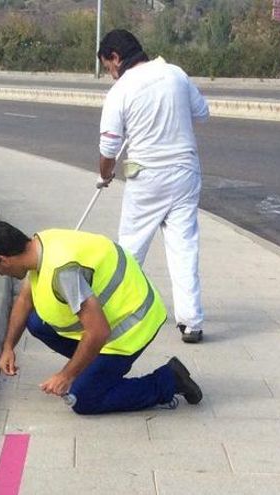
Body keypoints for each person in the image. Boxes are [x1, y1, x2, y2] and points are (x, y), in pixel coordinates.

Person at [0, 220, 202, 414]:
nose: (1, 274)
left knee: (82, 399)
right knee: (36, 322)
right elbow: (25, 300)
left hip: (131, 328)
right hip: (111, 317)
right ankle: (95, 369)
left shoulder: (63, 273)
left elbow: (98, 332)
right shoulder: (40, 244)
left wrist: (66, 375)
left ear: (4, 259)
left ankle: (169, 380)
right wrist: (8, 347)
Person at [95, 29, 209, 344]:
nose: (110, 73)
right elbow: (202, 113)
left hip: (145, 175)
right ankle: (191, 322)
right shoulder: (176, 74)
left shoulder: (120, 90)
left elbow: (108, 149)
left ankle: (117, 312)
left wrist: (105, 175)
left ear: (116, 57)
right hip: (185, 172)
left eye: (108, 66)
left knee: (131, 247)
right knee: (184, 247)